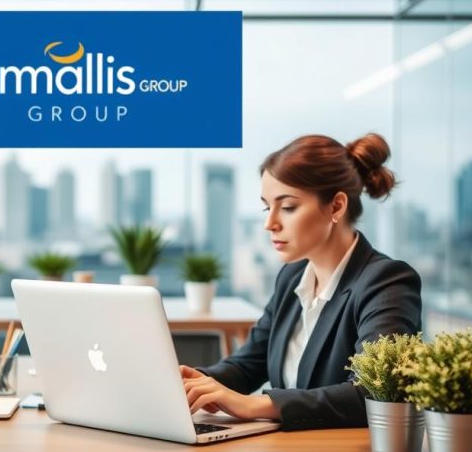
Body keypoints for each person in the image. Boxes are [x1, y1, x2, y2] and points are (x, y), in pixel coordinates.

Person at [181, 132, 422, 430]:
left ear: (336, 207)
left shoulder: (386, 281)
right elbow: (249, 363)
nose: (270, 223)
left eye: (288, 207)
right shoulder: (293, 276)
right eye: (267, 207)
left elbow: (374, 391)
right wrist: (193, 382)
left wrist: (254, 404)